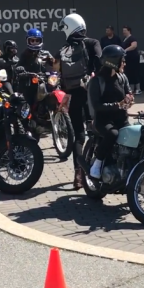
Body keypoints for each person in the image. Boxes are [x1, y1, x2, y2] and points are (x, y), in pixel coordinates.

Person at [52, 13, 102, 188]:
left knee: (78, 136)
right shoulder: (92, 43)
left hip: (73, 96)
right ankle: (99, 170)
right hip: (91, 95)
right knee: (100, 132)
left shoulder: (63, 49)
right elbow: (100, 63)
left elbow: (55, 69)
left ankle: (78, 175)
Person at [87, 44, 134, 179]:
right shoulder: (97, 81)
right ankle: (97, 163)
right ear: (112, 62)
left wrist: (129, 98)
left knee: (137, 137)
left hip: (122, 120)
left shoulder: (122, 77)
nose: (124, 63)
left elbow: (128, 92)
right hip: (103, 121)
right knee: (113, 134)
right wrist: (117, 105)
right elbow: (96, 106)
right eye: (122, 60)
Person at [15, 28, 55, 106]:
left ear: (41, 41)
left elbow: (55, 65)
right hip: (32, 82)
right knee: (29, 99)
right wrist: (20, 69)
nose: (35, 42)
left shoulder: (46, 53)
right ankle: (29, 115)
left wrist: (54, 63)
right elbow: (18, 66)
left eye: (37, 40)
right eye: (32, 41)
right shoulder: (25, 55)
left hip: (45, 80)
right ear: (28, 41)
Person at [121, 26, 141, 95]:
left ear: (129, 31)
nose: (123, 32)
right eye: (123, 30)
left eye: (125, 30)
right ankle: (131, 89)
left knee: (134, 72)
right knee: (129, 73)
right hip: (128, 59)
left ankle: (138, 89)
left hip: (133, 58)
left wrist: (125, 50)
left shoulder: (132, 38)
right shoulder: (124, 39)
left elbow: (134, 46)